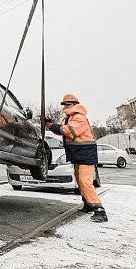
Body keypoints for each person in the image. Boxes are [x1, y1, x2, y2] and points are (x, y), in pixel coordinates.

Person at [46, 93, 107, 222]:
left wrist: (52, 125)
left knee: (85, 181)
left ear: (75, 104)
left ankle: (99, 210)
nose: (65, 106)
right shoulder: (68, 118)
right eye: (64, 104)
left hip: (85, 152)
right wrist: (49, 124)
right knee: (79, 181)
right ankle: (88, 204)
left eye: (68, 104)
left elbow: (69, 132)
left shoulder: (79, 117)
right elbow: (59, 130)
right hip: (77, 153)